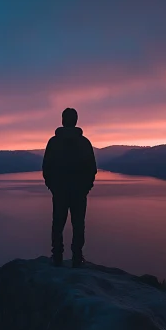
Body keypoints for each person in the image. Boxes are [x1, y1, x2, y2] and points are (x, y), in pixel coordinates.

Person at [42, 108, 97, 267]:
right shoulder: (84, 142)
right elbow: (92, 168)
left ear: (62, 120)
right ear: (75, 121)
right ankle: (77, 258)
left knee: (57, 223)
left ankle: (57, 257)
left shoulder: (53, 142)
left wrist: (53, 186)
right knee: (78, 224)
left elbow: (46, 167)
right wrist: (86, 187)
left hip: (60, 190)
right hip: (79, 191)